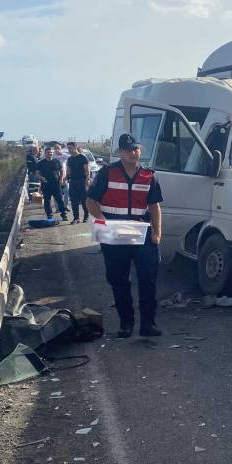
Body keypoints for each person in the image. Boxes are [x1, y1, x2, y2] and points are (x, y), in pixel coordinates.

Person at [87, 133, 163, 338]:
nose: (134, 153)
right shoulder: (106, 173)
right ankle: (126, 324)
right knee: (119, 279)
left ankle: (148, 324)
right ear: (120, 152)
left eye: (136, 149)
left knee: (148, 278)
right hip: (114, 235)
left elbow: (154, 206)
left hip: (141, 233)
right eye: (129, 149)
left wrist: (157, 232)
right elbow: (91, 202)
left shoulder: (149, 176)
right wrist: (103, 223)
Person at [34, 146, 68, 221]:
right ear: (45, 153)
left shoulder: (56, 161)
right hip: (46, 184)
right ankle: (49, 215)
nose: (50, 154)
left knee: (59, 200)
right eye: (49, 153)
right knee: (47, 201)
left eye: (52, 153)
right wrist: (42, 178)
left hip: (56, 184)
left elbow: (62, 170)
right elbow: (37, 173)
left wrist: (61, 179)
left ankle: (63, 215)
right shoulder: (41, 163)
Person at [66, 141, 91, 223]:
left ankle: (86, 216)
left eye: (70, 148)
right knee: (74, 201)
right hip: (72, 182)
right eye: (68, 148)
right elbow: (68, 170)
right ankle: (76, 218)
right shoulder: (70, 159)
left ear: (75, 147)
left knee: (84, 200)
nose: (69, 150)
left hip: (82, 181)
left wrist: (87, 180)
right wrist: (65, 178)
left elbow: (87, 170)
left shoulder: (83, 157)